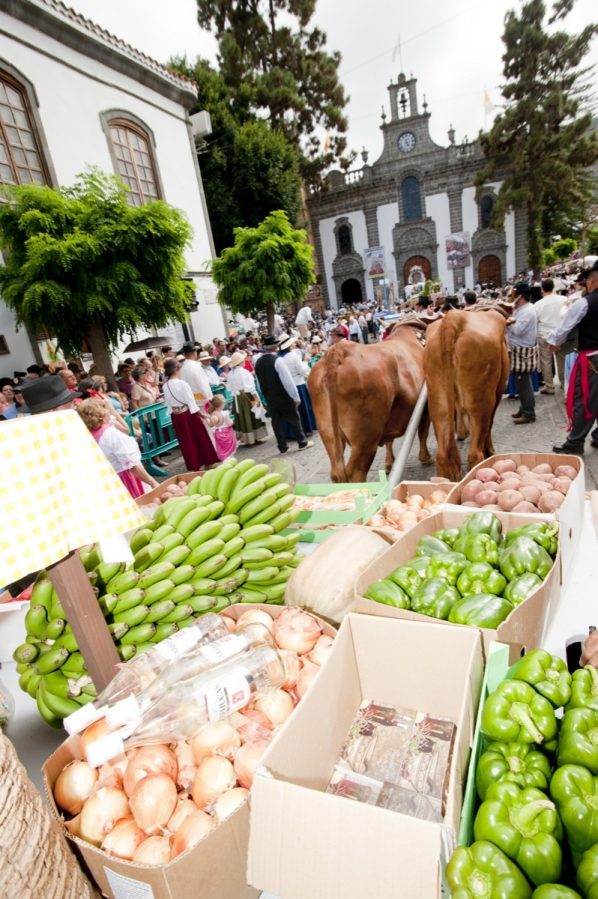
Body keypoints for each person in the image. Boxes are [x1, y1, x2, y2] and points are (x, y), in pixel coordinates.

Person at [548, 261, 598, 454]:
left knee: (583, 398)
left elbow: (565, 326)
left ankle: (575, 442)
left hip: (593, 358)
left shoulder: (585, 303)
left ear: (592, 282)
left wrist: (554, 342)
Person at [76, 398, 158, 498]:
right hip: (128, 479)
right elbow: (132, 466)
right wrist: (152, 482)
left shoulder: (90, 436)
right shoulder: (111, 434)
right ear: (101, 411)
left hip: (112, 481)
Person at [254, 335, 313, 454]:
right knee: (293, 418)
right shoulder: (278, 361)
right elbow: (287, 381)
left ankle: (282, 446)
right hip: (282, 394)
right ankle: (302, 442)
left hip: (269, 396)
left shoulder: (258, 362)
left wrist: (264, 396)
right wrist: (295, 396)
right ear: (276, 346)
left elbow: (259, 383)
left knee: (276, 422)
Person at [161, 358, 219, 470]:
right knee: (200, 437)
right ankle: (208, 461)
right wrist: (201, 414)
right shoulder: (183, 384)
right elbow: (190, 401)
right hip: (188, 414)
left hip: (176, 416)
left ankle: (193, 465)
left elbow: (168, 404)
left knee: (186, 441)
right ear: (177, 369)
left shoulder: (165, 386)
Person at [506, 283, 538, 424]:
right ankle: (524, 408)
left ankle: (528, 412)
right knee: (523, 382)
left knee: (523, 382)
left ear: (520, 297)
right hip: (519, 348)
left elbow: (518, 330)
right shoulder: (523, 309)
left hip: (522, 349)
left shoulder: (528, 311)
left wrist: (507, 321)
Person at [226, 351, 268, 446]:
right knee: (251, 416)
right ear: (241, 361)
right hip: (246, 396)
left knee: (243, 417)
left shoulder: (230, 374)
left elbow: (229, 388)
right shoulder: (244, 372)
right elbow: (251, 388)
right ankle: (254, 439)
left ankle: (246, 439)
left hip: (237, 398)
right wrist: (256, 399)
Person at [278, 334, 317, 436]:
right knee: (303, 408)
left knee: (293, 409)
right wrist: (306, 362)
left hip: (287, 386)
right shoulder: (293, 356)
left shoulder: (279, 358)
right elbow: (301, 371)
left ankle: (295, 431)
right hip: (299, 383)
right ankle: (307, 428)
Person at [534, 278, 565, 394]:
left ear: (542, 289)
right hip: (560, 333)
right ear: (553, 287)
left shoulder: (538, 304)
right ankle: (564, 383)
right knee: (561, 360)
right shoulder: (563, 299)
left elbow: (535, 321)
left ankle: (549, 386)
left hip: (544, 334)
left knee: (545, 361)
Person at [206, 394, 237, 461]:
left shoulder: (213, 414)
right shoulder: (225, 413)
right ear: (222, 404)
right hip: (227, 432)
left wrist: (207, 419)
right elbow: (229, 423)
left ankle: (225, 459)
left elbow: (211, 425)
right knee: (228, 447)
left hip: (218, 433)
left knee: (222, 448)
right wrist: (233, 421)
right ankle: (230, 458)